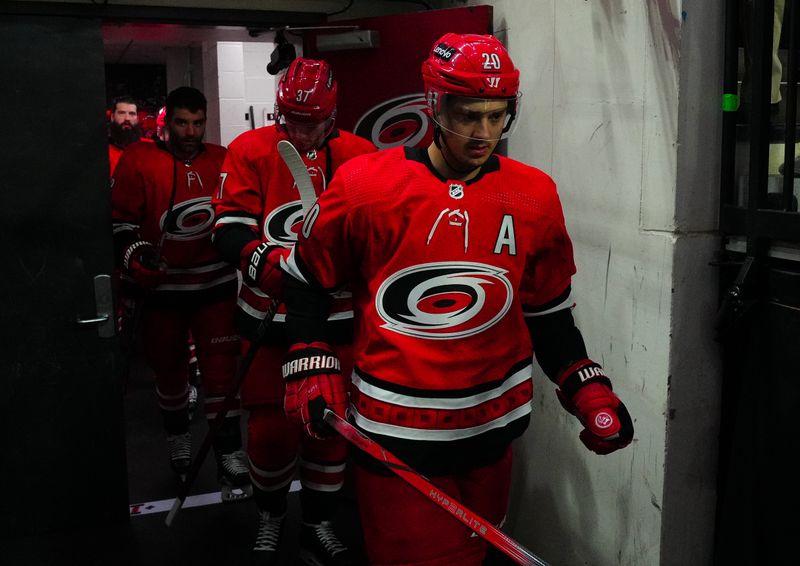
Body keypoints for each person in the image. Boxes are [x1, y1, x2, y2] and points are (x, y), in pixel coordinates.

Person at [269, 33, 635, 565]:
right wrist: (307, 352)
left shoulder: (533, 194)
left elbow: (548, 310)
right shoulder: (366, 185)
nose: (483, 132)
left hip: (494, 431)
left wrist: (585, 384)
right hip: (395, 435)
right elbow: (306, 276)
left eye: (496, 114)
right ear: (433, 103)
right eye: (467, 114)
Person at [212, 57, 376, 565]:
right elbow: (228, 226)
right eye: (292, 119)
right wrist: (266, 261)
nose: (301, 130)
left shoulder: (362, 154)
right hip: (269, 319)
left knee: (329, 430)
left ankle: (316, 524)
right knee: (270, 434)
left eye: (312, 121)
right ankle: (270, 514)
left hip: (338, 324)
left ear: (334, 115)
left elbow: (377, 231)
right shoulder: (250, 150)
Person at [111, 86, 251, 503]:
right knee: (169, 369)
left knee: (222, 371)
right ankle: (178, 440)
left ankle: (228, 451)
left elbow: (239, 213)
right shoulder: (139, 159)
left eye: (197, 122)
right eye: (181, 122)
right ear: (166, 122)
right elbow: (119, 223)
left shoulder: (222, 158)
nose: (190, 131)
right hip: (164, 289)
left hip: (214, 285)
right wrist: (135, 257)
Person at [108, 95, 148, 176]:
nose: (127, 118)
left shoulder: (149, 147)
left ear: (137, 118)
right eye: (121, 113)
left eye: (132, 114)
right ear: (112, 117)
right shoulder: (103, 151)